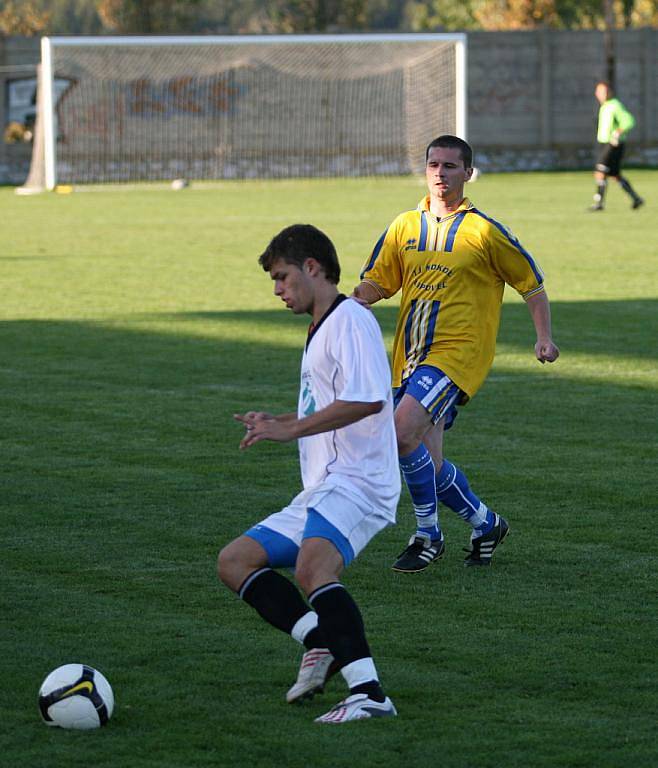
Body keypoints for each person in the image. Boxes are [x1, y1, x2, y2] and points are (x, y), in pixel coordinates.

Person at [218, 224, 401, 724]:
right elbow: (329, 401)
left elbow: (366, 400)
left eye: (281, 278)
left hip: (360, 481)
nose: (278, 290)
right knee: (235, 562)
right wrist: (279, 421)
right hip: (325, 487)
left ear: (312, 268)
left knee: (313, 569)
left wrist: (291, 430)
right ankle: (321, 641)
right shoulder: (322, 325)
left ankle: (369, 694)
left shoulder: (351, 321)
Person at [353, 134, 560, 573]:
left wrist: (543, 337)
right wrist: (354, 300)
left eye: (450, 166)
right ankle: (486, 523)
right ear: (424, 169)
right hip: (408, 354)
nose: (440, 174)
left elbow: (532, 285)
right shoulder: (404, 226)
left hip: (456, 355)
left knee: (399, 432)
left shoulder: (484, 231)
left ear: (468, 172)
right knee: (428, 458)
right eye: (434, 165)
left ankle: (428, 534)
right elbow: (380, 280)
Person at [589, 81, 644, 212]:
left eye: (604, 91)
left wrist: (618, 132)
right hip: (605, 143)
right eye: (600, 92)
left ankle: (599, 203)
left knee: (600, 171)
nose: (602, 94)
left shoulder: (615, 105)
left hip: (613, 144)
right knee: (615, 174)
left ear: (610, 92)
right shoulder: (605, 106)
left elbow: (629, 120)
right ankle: (636, 198)